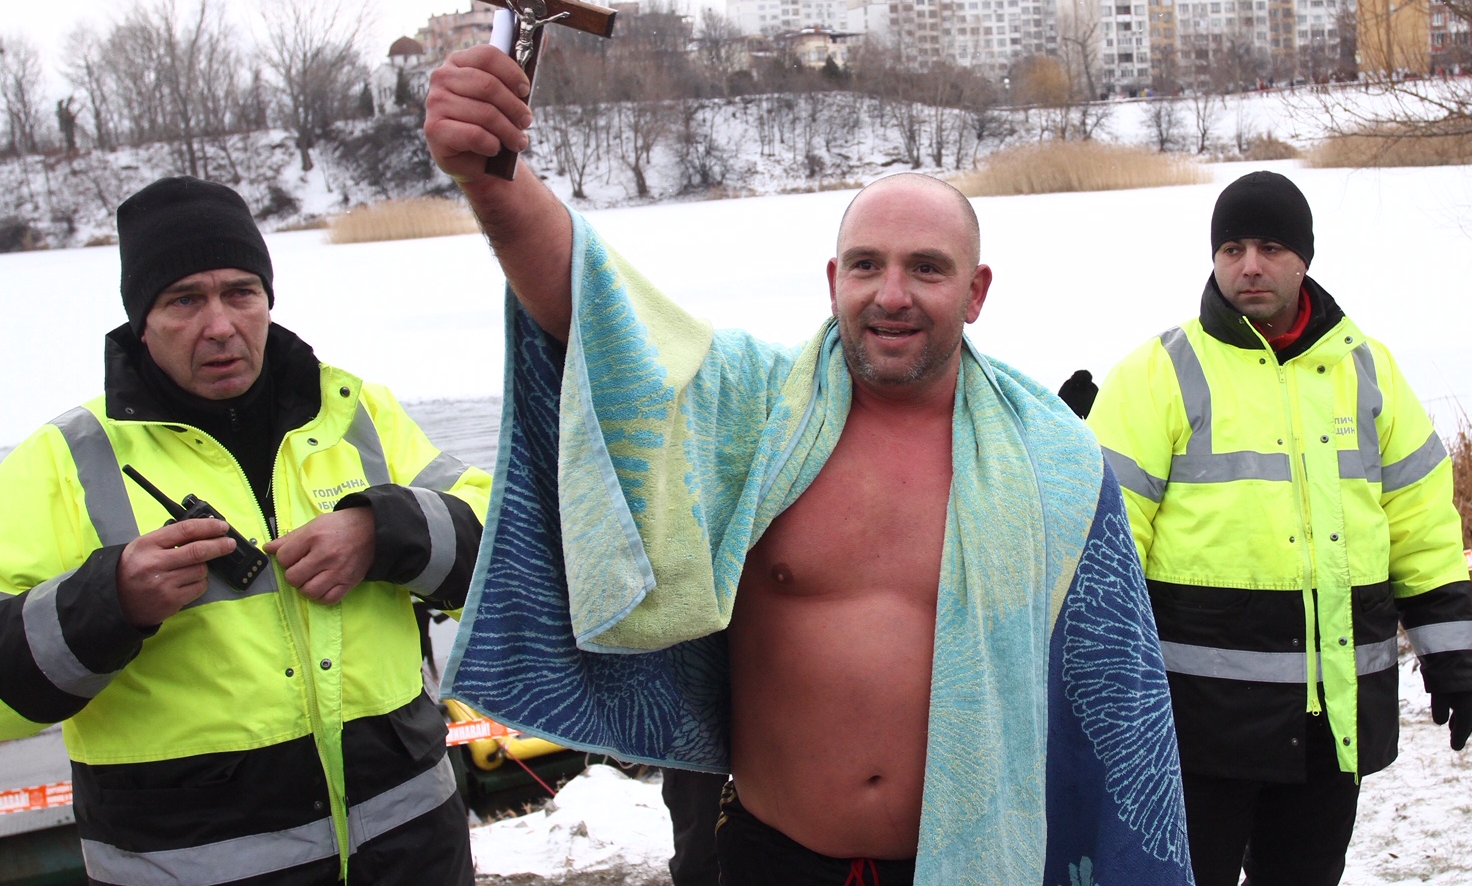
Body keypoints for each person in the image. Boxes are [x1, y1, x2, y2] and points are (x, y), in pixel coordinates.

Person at [420, 44, 1194, 886]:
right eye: (866, 265)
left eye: (926, 269)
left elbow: (1116, 699)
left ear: (975, 292)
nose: (891, 294)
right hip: (771, 858)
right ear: (834, 280)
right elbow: (604, 320)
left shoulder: (1052, 460)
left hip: (970, 864)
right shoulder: (755, 412)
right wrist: (494, 184)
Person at [0, 177, 490, 886]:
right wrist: (111, 601)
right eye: (184, 300)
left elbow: (507, 548)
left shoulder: (355, 415)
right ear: (142, 320)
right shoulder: (64, 460)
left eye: (240, 292)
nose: (221, 325)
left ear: (267, 300)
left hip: (413, 852)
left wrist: (386, 530)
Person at [1087, 171, 1472, 886]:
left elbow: (1421, 522)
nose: (1249, 266)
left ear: (1304, 258)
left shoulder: (1368, 370)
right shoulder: (1158, 372)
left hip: (1331, 727)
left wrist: (1451, 657)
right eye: (1232, 249)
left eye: (1270, 248)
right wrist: (1104, 696)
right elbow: (1104, 549)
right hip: (1195, 732)